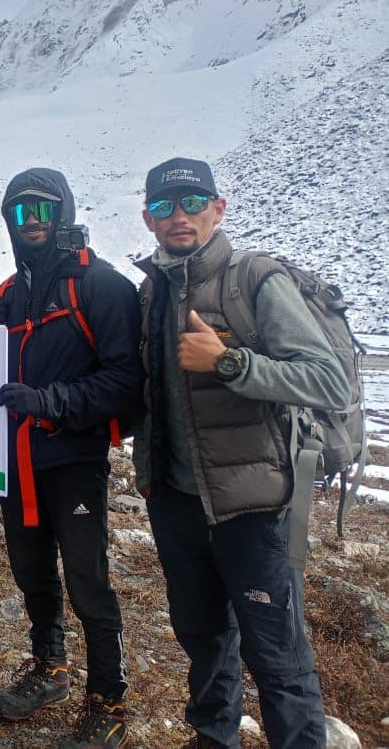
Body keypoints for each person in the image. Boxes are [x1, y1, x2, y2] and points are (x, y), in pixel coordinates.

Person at [133, 157, 348, 749]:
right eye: (162, 206)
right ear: (148, 220)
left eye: (192, 202)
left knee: (276, 651)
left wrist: (230, 363)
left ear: (218, 209)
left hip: (252, 504)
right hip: (175, 498)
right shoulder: (151, 289)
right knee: (202, 638)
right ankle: (212, 736)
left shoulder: (255, 279)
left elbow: (329, 381)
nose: (178, 217)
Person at [0, 168, 141, 749]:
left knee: (87, 580)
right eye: (21, 212)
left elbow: (126, 381)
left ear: (65, 212)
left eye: (44, 210)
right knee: (31, 571)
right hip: (16, 462)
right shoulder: (9, 294)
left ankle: (110, 698)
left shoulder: (100, 286)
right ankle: (50, 666)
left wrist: (49, 402)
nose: (33, 222)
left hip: (73, 458)